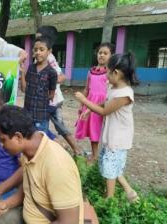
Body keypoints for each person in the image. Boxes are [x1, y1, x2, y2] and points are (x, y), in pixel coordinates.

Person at [0, 105, 83, 224]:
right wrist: (6, 203)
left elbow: (70, 222)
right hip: (29, 214)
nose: (1, 145)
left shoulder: (57, 166)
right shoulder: (31, 150)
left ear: (18, 137)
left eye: (3, 140)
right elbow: (30, 185)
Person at [75, 52, 140, 202]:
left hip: (118, 137)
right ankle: (129, 192)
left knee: (110, 169)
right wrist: (89, 110)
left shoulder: (124, 94)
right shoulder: (114, 87)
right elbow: (105, 103)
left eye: (108, 72)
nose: (106, 76)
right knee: (108, 163)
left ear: (116, 73)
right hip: (112, 134)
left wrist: (84, 100)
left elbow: (105, 111)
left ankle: (109, 200)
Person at [36, 25, 82, 155]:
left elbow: (61, 76)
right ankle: (63, 146)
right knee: (40, 125)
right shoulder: (40, 57)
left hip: (52, 101)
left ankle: (71, 148)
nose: (37, 44)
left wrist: (46, 80)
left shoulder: (49, 58)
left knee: (56, 127)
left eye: (39, 39)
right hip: (45, 102)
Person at [75, 43, 115, 162]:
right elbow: (87, 89)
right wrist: (82, 105)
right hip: (90, 103)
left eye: (105, 53)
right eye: (100, 53)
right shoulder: (91, 72)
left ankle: (106, 155)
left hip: (103, 104)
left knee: (104, 131)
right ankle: (95, 155)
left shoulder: (111, 73)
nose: (102, 55)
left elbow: (111, 91)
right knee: (93, 131)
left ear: (111, 55)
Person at [21, 36, 58, 135]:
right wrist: (22, 74)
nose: (38, 52)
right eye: (36, 49)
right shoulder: (31, 68)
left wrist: (40, 97)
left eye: (42, 49)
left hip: (41, 116)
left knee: (40, 143)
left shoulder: (52, 72)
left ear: (49, 51)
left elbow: (51, 95)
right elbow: (24, 89)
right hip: (27, 115)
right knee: (27, 140)